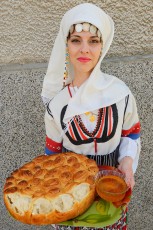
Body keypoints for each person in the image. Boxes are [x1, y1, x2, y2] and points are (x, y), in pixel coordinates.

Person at [41, 3, 141, 230]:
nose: (84, 49)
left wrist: (127, 162)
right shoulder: (57, 105)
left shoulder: (121, 94)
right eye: (76, 40)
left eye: (93, 41)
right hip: (71, 200)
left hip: (111, 197)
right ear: (66, 45)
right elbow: (52, 158)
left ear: (102, 46)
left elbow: (131, 135)